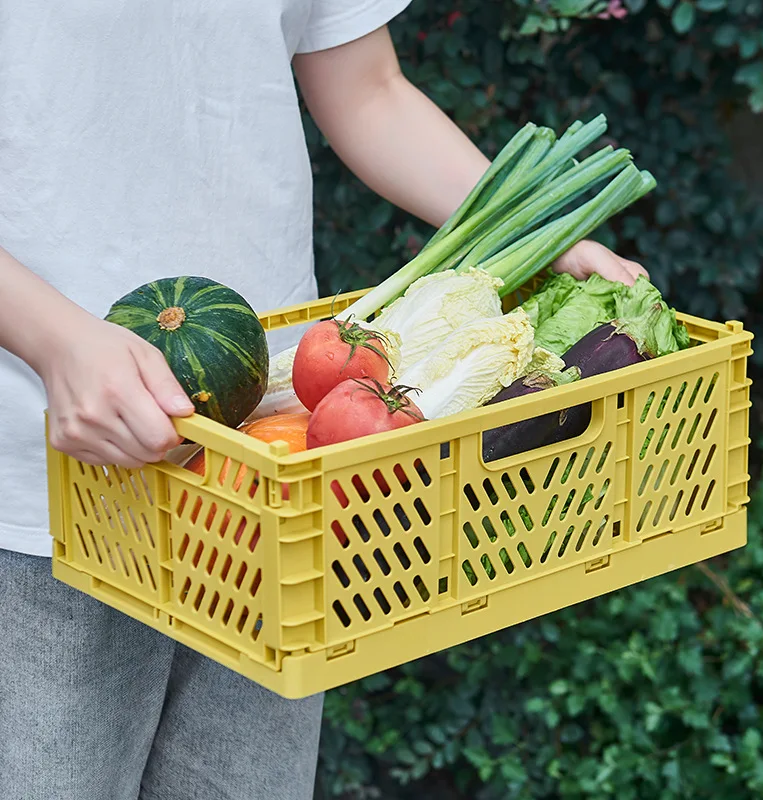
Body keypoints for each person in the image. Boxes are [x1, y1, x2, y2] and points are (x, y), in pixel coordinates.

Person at [0, 2, 647, 798]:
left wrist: (545, 234)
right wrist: (53, 340)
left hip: (284, 475)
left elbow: (368, 88)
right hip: (44, 485)